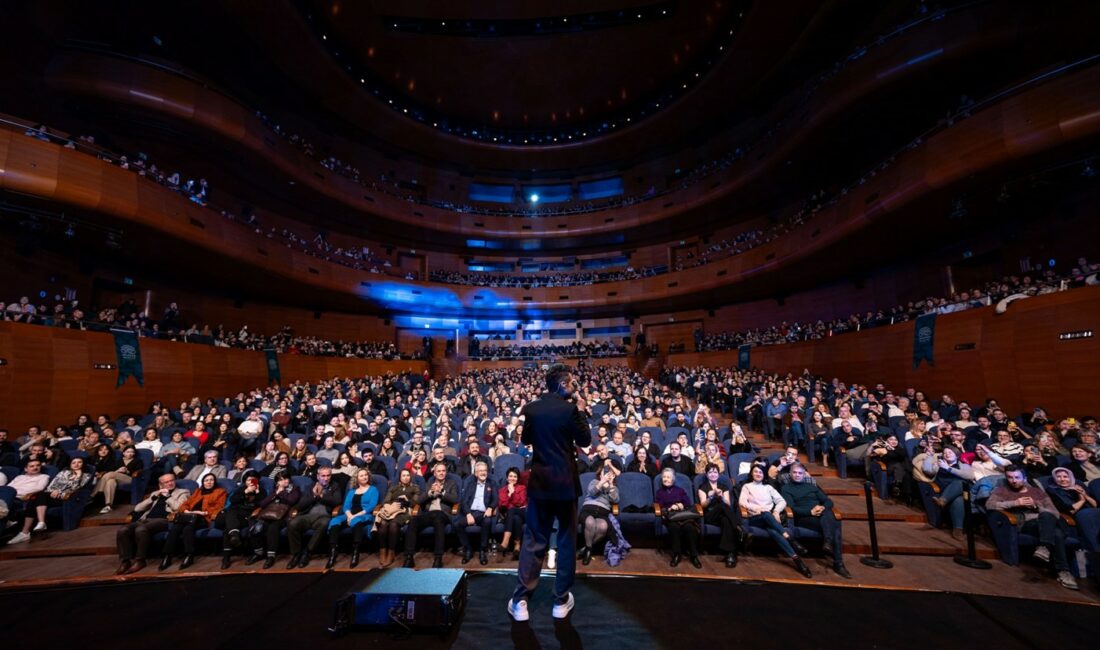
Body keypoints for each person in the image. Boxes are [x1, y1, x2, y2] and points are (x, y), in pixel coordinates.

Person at [509, 364, 592, 623]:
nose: (576, 386)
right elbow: (586, 441)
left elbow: (525, 441)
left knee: (534, 539)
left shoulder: (531, 409)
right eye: (573, 382)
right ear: (562, 385)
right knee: (566, 541)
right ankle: (560, 601)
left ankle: (521, 600)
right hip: (565, 485)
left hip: (541, 484)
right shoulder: (571, 410)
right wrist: (579, 410)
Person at [986, 466, 1077, 590]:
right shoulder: (1001, 491)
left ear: (1024, 478)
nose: (1013, 480)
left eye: (1017, 477)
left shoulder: (1037, 492)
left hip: (1045, 521)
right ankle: (1063, 571)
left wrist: (1036, 506)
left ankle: (1044, 547)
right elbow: (990, 505)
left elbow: (1054, 512)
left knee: (1048, 519)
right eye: (1010, 477)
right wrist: (1015, 503)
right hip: (1025, 524)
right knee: (1056, 533)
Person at [739, 465, 812, 577]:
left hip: (769, 519)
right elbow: (742, 502)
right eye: (756, 472)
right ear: (752, 474)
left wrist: (776, 511)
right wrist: (757, 509)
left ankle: (797, 560)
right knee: (767, 514)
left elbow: (781, 501)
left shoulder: (768, 488)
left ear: (764, 475)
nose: (758, 474)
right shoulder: (747, 486)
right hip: (754, 518)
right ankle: (790, 539)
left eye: (761, 472)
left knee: (773, 531)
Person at [781, 463, 850, 578]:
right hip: (804, 518)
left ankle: (831, 549)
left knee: (828, 513)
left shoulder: (812, 487)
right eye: (794, 472)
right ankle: (837, 562)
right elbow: (791, 508)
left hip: (820, 514)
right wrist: (810, 512)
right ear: (790, 474)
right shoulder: (786, 488)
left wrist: (822, 507)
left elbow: (828, 501)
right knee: (835, 527)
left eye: (800, 473)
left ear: (804, 474)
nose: (797, 475)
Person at [115, 473, 190, 574]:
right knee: (122, 530)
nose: (170, 483)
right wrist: (153, 497)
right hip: (146, 519)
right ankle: (125, 561)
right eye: (166, 482)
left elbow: (179, 507)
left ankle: (140, 560)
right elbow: (137, 508)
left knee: (141, 529)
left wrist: (168, 496)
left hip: (164, 520)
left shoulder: (183, 492)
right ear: (161, 485)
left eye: (171, 480)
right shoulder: (155, 493)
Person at [160, 472, 227, 570]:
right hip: (190, 516)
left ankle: (189, 555)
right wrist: (186, 511)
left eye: (211, 480)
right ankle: (167, 555)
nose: (209, 482)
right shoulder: (198, 491)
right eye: (206, 480)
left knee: (188, 528)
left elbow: (220, 507)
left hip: (203, 518)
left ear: (215, 482)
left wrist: (202, 513)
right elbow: (185, 504)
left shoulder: (220, 491)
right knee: (176, 528)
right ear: (203, 482)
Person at [404, 462, 459, 568]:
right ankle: (409, 557)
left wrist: (442, 491)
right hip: (429, 513)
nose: (441, 473)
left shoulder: (451, 483)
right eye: (439, 471)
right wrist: (429, 493)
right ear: (434, 473)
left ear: (446, 472)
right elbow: (419, 501)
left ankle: (438, 558)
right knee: (413, 521)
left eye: (443, 471)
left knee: (438, 519)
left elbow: (455, 499)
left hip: (443, 514)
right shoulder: (430, 482)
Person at [285, 467, 343, 569]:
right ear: (318, 476)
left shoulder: (335, 486)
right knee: (293, 524)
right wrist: (314, 496)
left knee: (324, 524)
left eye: (328, 475)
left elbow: (337, 501)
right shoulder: (310, 487)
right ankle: (296, 554)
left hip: (323, 517)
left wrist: (321, 496)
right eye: (323, 476)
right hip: (307, 516)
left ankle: (307, 552)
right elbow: (299, 506)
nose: (326, 478)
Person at [325, 468, 379, 569]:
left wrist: (354, 516)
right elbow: (346, 506)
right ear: (357, 479)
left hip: (364, 515)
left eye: (366, 475)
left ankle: (355, 553)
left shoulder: (373, 489)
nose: (364, 477)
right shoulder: (352, 491)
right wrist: (349, 515)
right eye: (361, 476)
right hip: (349, 515)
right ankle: (333, 553)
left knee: (356, 520)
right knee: (334, 521)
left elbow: (371, 506)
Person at [246, 473, 299, 569]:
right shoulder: (275, 490)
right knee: (256, 528)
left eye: (286, 478)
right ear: (277, 482)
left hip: (283, 516)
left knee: (272, 528)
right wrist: (276, 493)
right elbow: (262, 504)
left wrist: (281, 493)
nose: (284, 481)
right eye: (281, 480)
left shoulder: (295, 489)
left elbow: (292, 501)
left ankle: (270, 556)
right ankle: (258, 553)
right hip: (268, 515)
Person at [696, 463, 742, 567]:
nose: (713, 474)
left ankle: (730, 554)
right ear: (707, 474)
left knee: (726, 520)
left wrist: (721, 497)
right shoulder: (703, 487)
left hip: (723, 515)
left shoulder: (723, 487)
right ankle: (738, 527)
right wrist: (710, 497)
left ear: (718, 474)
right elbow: (702, 505)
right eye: (710, 472)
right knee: (721, 507)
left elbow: (728, 504)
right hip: (709, 515)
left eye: (715, 472)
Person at [655, 468, 701, 568]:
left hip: (683, 516)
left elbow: (688, 503)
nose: (666, 479)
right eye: (664, 477)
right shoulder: (660, 492)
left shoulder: (680, 490)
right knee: (674, 527)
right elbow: (659, 506)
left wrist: (680, 505)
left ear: (673, 479)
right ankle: (677, 554)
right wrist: (670, 508)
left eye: (668, 477)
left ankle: (694, 555)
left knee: (690, 528)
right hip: (670, 517)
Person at [454, 461, 498, 565]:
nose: (483, 473)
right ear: (476, 473)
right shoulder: (470, 485)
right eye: (481, 471)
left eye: (485, 470)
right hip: (472, 513)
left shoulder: (491, 484)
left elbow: (495, 499)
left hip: (483, 513)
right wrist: (468, 514)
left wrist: (490, 508)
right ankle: (468, 549)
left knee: (487, 522)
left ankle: (482, 550)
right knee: (457, 524)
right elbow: (463, 502)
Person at [219, 474, 266, 569]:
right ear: (245, 482)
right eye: (249, 480)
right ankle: (228, 552)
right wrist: (245, 492)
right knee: (230, 516)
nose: (251, 482)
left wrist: (256, 493)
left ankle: (226, 556)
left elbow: (263, 505)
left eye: (254, 480)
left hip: (250, 517)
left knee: (228, 528)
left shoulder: (261, 491)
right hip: (237, 516)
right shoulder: (241, 489)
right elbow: (233, 501)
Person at [375, 468, 419, 568]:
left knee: (393, 524)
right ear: (400, 477)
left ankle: (391, 552)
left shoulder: (415, 488)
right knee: (383, 524)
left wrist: (407, 501)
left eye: (408, 475)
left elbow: (415, 503)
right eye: (403, 475)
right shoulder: (393, 488)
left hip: (405, 511)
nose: (406, 477)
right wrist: (393, 504)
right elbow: (385, 501)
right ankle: (383, 551)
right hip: (392, 510)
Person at [578, 463, 620, 565]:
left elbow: (615, 500)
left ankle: (586, 548)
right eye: (605, 473)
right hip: (589, 509)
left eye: (610, 474)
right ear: (600, 474)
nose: (607, 475)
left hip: (603, 512)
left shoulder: (614, 487)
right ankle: (588, 551)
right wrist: (601, 482)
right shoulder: (594, 482)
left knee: (603, 526)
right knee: (590, 522)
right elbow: (592, 492)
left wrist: (610, 485)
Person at [92, 445, 143, 513]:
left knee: (110, 474)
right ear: (124, 453)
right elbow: (112, 470)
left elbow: (139, 470)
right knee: (110, 481)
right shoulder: (118, 461)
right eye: (127, 452)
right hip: (117, 478)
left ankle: (94, 494)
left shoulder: (138, 461)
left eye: (132, 452)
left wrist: (127, 471)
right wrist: (118, 471)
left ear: (134, 453)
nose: (130, 454)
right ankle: (108, 505)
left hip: (130, 479)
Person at [497, 467, 527, 561]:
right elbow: (502, 505)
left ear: (517, 479)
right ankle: (517, 545)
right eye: (510, 476)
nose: (512, 478)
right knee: (515, 517)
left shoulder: (522, 488)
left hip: (524, 512)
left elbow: (520, 503)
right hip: (512, 515)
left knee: (511, 510)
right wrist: (509, 494)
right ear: (507, 478)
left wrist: (512, 493)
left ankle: (505, 542)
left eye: (515, 476)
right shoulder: (502, 490)